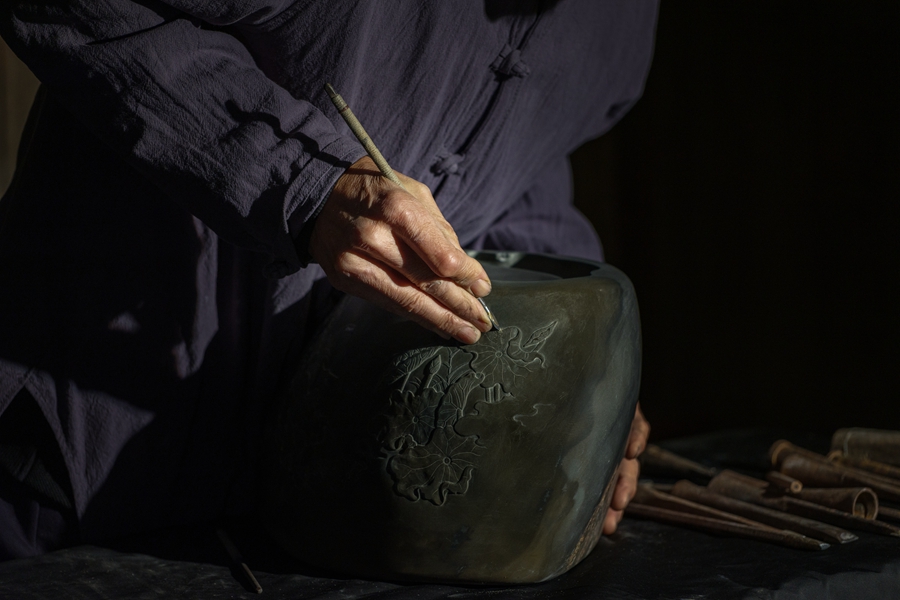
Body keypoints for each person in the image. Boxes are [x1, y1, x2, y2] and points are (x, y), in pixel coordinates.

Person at [0, 0, 657, 559]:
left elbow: (523, 168)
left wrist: (579, 379)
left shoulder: (625, 21)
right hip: (80, 456)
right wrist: (301, 178)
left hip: (336, 504)